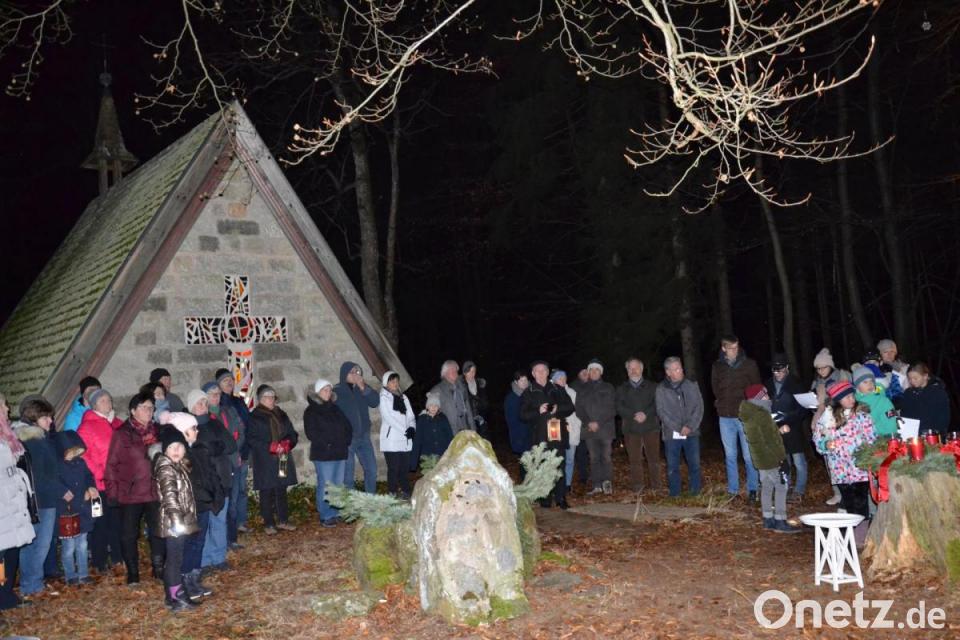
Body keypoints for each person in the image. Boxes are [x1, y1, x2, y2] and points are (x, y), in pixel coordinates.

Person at [104, 392, 164, 585]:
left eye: (151, 407)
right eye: (144, 407)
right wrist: (112, 493)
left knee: (158, 531)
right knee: (129, 535)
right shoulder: (122, 434)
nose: (148, 411)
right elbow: (111, 465)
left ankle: (159, 568)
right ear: (132, 411)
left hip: (155, 491)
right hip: (130, 493)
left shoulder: (158, 431)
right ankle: (133, 573)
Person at [14, 398, 67, 598]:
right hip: (41, 501)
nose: (51, 421)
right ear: (34, 417)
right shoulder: (33, 441)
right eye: (46, 417)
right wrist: (58, 490)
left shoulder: (39, 438)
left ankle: (34, 582)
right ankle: (31, 584)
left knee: (38, 544)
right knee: (37, 544)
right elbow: (40, 474)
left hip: (44, 499)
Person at [163, 408, 218, 603]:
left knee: (199, 543)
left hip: (202, 504)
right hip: (190, 508)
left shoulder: (196, 450)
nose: (197, 431)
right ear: (182, 431)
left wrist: (213, 495)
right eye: (193, 428)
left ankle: (193, 578)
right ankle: (184, 581)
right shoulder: (178, 458)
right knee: (189, 545)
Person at [739, 385, 801, 534]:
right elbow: (770, 441)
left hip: (760, 458)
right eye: (765, 394)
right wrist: (781, 459)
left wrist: (777, 431)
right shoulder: (762, 414)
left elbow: (762, 436)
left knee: (766, 487)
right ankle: (780, 520)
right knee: (781, 487)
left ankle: (768, 519)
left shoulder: (750, 413)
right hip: (771, 458)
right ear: (759, 398)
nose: (768, 397)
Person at [153, 425, 200, 612]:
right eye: (172, 447)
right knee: (174, 559)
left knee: (176, 558)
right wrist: (177, 521)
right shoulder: (166, 468)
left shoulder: (178, 466)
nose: (176, 450)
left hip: (179, 520)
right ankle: (176, 597)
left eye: (179, 446)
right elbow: (170, 497)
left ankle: (172, 594)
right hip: (174, 522)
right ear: (165, 450)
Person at [813, 381, 876, 518]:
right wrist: (826, 445)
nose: (852, 399)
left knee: (861, 501)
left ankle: (862, 526)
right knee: (849, 502)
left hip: (859, 467)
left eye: (852, 396)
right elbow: (818, 438)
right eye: (847, 397)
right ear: (838, 400)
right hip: (839, 468)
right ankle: (852, 528)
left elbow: (872, 437)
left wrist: (868, 453)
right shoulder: (827, 418)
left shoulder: (862, 416)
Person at [78, 388, 123, 572]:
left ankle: (118, 557)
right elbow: (84, 455)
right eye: (103, 400)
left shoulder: (117, 424)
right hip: (99, 484)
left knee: (117, 522)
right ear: (94, 404)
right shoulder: (87, 427)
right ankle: (99, 561)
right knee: (100, 523)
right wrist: (99, 472)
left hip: (117, 483)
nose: (107, 403)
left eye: (109, 399)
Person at [711, 335, 761, 500]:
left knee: (748, 455)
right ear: (723, 348)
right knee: (730, 455)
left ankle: (753, 489)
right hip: (725, 417)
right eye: (731, 348)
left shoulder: (749, 364)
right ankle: (733, 490)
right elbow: (715, 388)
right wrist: (721, 403)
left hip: (745, 416)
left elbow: (757, 388)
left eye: (736, 347)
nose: (735, 351)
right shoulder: (717, 366)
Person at [520, 361, 575, 508]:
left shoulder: (557, 388)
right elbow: (522, 415)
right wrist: (538, 411)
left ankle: (561, 497)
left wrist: (557, 408)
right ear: (533, 374)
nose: (541, 373)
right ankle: (545, 498)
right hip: (540, 436)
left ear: (548, 372)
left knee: (559, 465)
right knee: (542, 467)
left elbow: (570, 407)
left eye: (543, 370)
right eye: (537, 371)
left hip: (558, 434)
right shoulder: (528, 392)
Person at [196, 383, 237, 572]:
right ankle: (204, 560)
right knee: (204, 524)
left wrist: (211, 447)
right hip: (203, 481)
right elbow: (196, 450)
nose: (203, 406)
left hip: (222, 478)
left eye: (205, 403)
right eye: (200, 403)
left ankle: (218, 557)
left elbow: (230, 445)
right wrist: (213, 447)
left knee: (219, 520)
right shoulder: (189, 426)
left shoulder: (215, 423)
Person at [0, 392, 35, 610]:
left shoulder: (7, 435)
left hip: (13, 503)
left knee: (12, 550)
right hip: (3, 504)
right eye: (3, 406)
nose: (7, 409)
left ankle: (7, 595)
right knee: (1, 555)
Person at [248, 385, 299, 534]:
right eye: (267, 397)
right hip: (265, 460)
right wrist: (270, 446)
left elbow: (292, 433)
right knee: (267, 490)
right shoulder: (255, 417)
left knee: (281, 488)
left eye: (273, 397)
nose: (271, 400)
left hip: (282, 457)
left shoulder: (281, 414)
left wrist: (288, 443)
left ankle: (283, 520)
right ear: (260, 399)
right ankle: (269, 523)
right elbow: (252, 439)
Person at [304, 379, 352, 527]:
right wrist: (329, 443)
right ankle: (326, 514)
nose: (328, 392)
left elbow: (347, 426)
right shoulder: (311, 411)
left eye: (330, 390)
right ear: (318, 392)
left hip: (340, 452)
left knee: (337, 484)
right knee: (326, 485)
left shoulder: (335, 409)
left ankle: (335, 512)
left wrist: (346, 441)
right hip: (324, 454)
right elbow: (312, 433)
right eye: (325, 390)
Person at [656, 357, 704, 497]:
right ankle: (675, 494)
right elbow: (661, 412)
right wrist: (678, 428)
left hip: (692, 432)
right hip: (672, 434)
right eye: (676, 369)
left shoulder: (692, 385)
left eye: (680, 368)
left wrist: (690, 426)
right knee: (673, 466)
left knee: (694, 464)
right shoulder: (661, 389)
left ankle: (695, 493)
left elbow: (699, 407)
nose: (680, 371)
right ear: (668, 372)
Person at [764, 354, 808, 502]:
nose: (777, 373)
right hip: (775, 428)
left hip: (792, 427)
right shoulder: (768, 384)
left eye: (780, 369)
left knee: (798, 461)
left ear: (787, 367)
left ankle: (799, 490)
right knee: (783, 460)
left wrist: (789, 420)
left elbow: (803, 408)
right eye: (774, 369)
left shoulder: (796, 383)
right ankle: (786, 487)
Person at [56, 430, 98, 585]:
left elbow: (89, 476)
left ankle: (83, 573)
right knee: (69, 546)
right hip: (67, 511)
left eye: (76, 451)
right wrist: (62, 492)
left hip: (82, 509)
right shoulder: (58, 465)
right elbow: (54, 482)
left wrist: (91, 487)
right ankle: (70, 575)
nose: (74, 454)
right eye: (71, 451)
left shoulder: (80, 463)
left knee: (82, 544)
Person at [810, 348, 851, 506]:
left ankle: (848, 492)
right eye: (818, 368)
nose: (821, 371)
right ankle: (837, 492)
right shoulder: (817, 382)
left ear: (831, 366)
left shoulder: (841, 376)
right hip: (825, 422)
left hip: (841, 421)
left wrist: (825, 400)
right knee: (829, 459)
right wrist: (814, 403)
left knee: (844, 458)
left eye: (824, 367)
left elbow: (846, 397)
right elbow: (816, 404)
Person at [214, 368, 250, 544]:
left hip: (243, 452)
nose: (229, 382)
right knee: (232, 493)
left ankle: (241, 522)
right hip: (229, 456)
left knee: (242, 490)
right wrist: (234, 449)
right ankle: (231, 528)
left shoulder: (239, 402)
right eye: (225, 380)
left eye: (231, 379)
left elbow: (245, 426)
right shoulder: (219, 406)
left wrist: (244, 447)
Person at [333, 362, 379, 494]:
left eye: (357, 372)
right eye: (351, 372)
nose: (355, 375)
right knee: (348, 475)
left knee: (372, 470)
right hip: (348, 439)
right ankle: (351, 503)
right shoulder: (337, 391)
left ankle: (370, 501)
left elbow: (375, 402)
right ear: (344, 374)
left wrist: (363, 387)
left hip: (364, 436)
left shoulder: (362, 388)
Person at [616, 358, 660, 493]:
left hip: (651, 427)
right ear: (627, 371)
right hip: (631, 429)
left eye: (635, 367)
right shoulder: (621, 389)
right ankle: (638, 487)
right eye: (630, 368)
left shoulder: (653, 386)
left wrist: (646, 414)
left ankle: (656, 487)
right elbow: (618, 406)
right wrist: (633, 414)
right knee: (634, 460)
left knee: (653, 459)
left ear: (641, 369)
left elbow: (658, 403)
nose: (633, 370)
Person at [575, 359, 617, 495]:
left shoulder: (608, 387)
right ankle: (597, 485)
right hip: (589, 430)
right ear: (588, 372)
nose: (594, 372)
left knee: (606, 457)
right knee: (594, 458)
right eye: (591, 370)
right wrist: (588, 422)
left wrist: (598, 422)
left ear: (601, 372)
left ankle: (607, 484)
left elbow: (612, 408)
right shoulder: (582, 389)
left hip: (605, 429)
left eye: (597, 370)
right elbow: (579, 409)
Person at [379, 371, 416, 498]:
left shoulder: (403, 398)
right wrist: (405, 430)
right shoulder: (384, 397)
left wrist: (412, 428)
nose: (395, 383)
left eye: (396, 381)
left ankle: (406, 491)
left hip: (405, 439)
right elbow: (388, 418)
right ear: (386, 383)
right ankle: (392, 493)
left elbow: (411, 416)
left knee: (404, 468)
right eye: (392, 381)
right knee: (394, 468)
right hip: (392, 439)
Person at [899, 363, 951, 437]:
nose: (912, 381)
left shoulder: (938, 392)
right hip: (912, 435)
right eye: (910, 379)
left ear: (925, 376)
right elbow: (904, 414)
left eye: (915, 378)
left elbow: (944, 417)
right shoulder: (908, 393)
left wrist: (934, 433)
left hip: (932, 435)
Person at [551, 371, 581, 489]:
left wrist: (577, 425)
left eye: (564, 378)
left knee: (570, 459)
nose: (562, 380)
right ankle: (556, 483)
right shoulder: (551, 392)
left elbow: (577, 411)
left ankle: (567, 483)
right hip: (557, 430)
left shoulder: (572, 393)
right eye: (559, 378)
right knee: (557, 459)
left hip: (572, 430)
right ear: (554, 380)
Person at [411, 393, 453, 472]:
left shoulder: (443, 418)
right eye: (431, 405)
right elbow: (417, 440)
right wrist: (413, 463)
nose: (433, 408)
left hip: (443, 455)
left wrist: (452, 453)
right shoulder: (422, 420)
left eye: (436, 405)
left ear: (439, 407)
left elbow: (450, 436)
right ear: (427, 407)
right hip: (427, 457)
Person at [852, 365, 898, 437]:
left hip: (884, 437)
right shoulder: (854, 402)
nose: (870, 384)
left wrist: (891, 435)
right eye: (865, 382)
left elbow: (892, 418)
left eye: (871, 381)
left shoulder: (883, 401)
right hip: (863, 440)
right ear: (857, 386)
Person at [430, 360, 475, 433]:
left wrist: (473, 428)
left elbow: (468, 410)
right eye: (452, 370)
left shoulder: (462, 387)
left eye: (456, 370)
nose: (455, 372)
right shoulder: (436, 391)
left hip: (466, 428)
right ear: (444, 373)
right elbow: (432, 416)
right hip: (450, 432)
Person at [504, 370, 532, 460]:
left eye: (525, 380)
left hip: (533, 435)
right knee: (526, 463)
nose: (524, 383)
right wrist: (519, 439)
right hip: (521, 437)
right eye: (521, 380)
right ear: (516, 382)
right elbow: (511, 421)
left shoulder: (532, 394)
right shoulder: (511, 398)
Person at [462, 361, 489, 438]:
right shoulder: (460, 387)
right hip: (468, 423)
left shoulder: (481, 385)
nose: (472, 374)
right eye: (469, 371)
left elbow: (485, 403)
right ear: (464, 373)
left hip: (481, 421)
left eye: (473, 371)